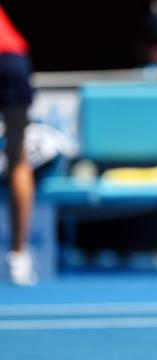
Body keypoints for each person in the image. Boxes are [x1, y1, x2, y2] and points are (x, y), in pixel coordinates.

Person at [0, 6, 36, 285]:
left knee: (17, 157)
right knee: (17, 158)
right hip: (12, 58)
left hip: (11, 56)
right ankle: (19, 258)